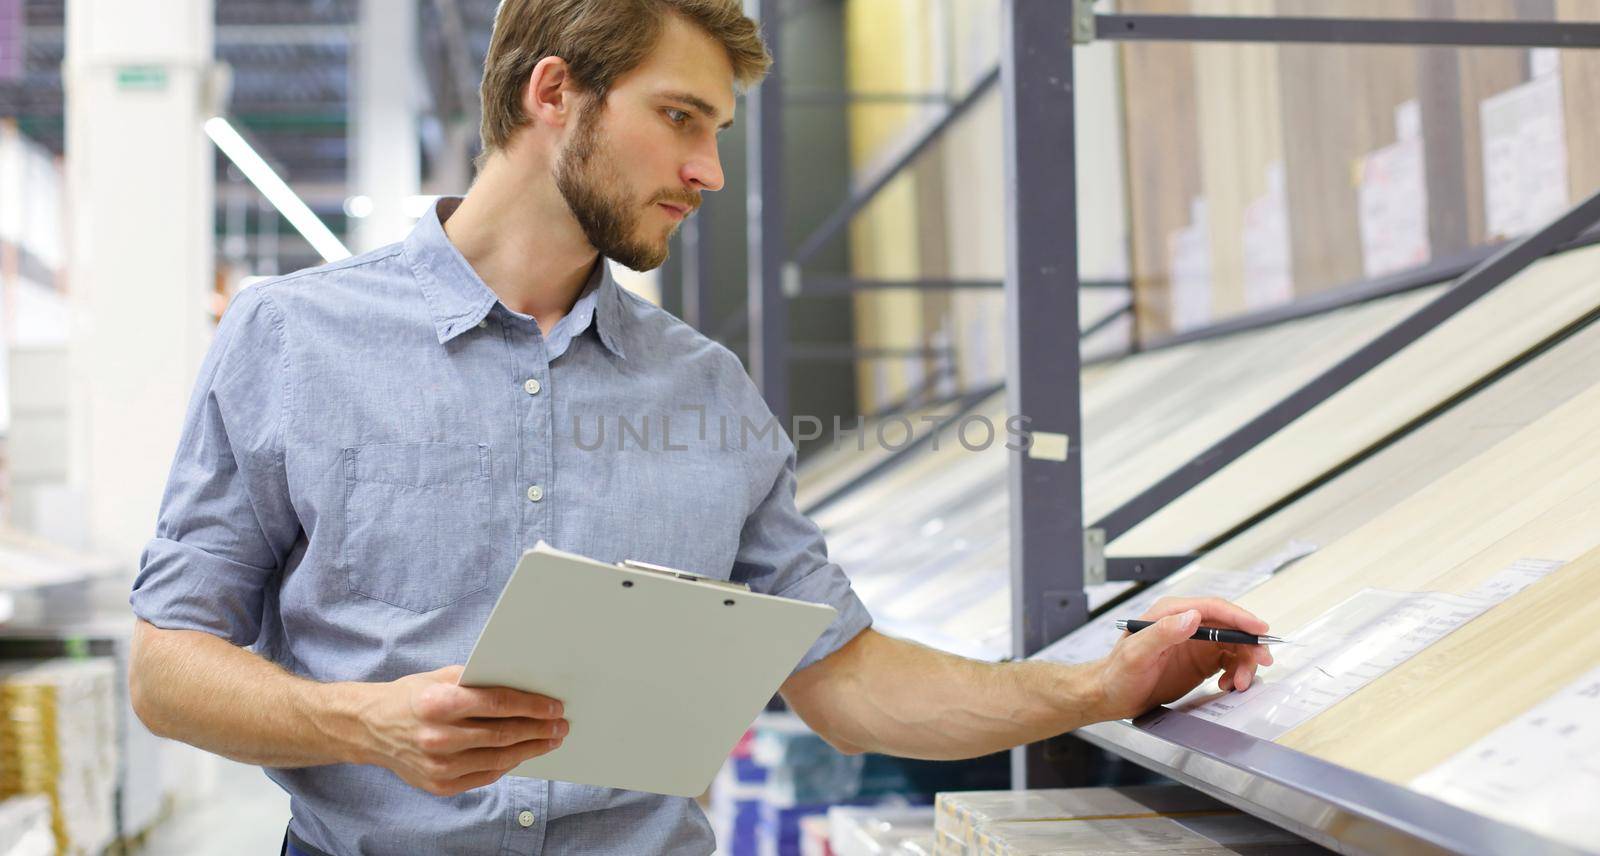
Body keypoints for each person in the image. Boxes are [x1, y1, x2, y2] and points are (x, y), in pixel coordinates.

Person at [126, 1, 1273, 854]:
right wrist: (361, 724)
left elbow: (844, 679)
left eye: (718, 129)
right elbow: (168, 666)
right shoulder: (293, 339)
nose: (708, 171)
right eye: (680, 118)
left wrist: (1100, 684)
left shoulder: (705, 392)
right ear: (552, 94)